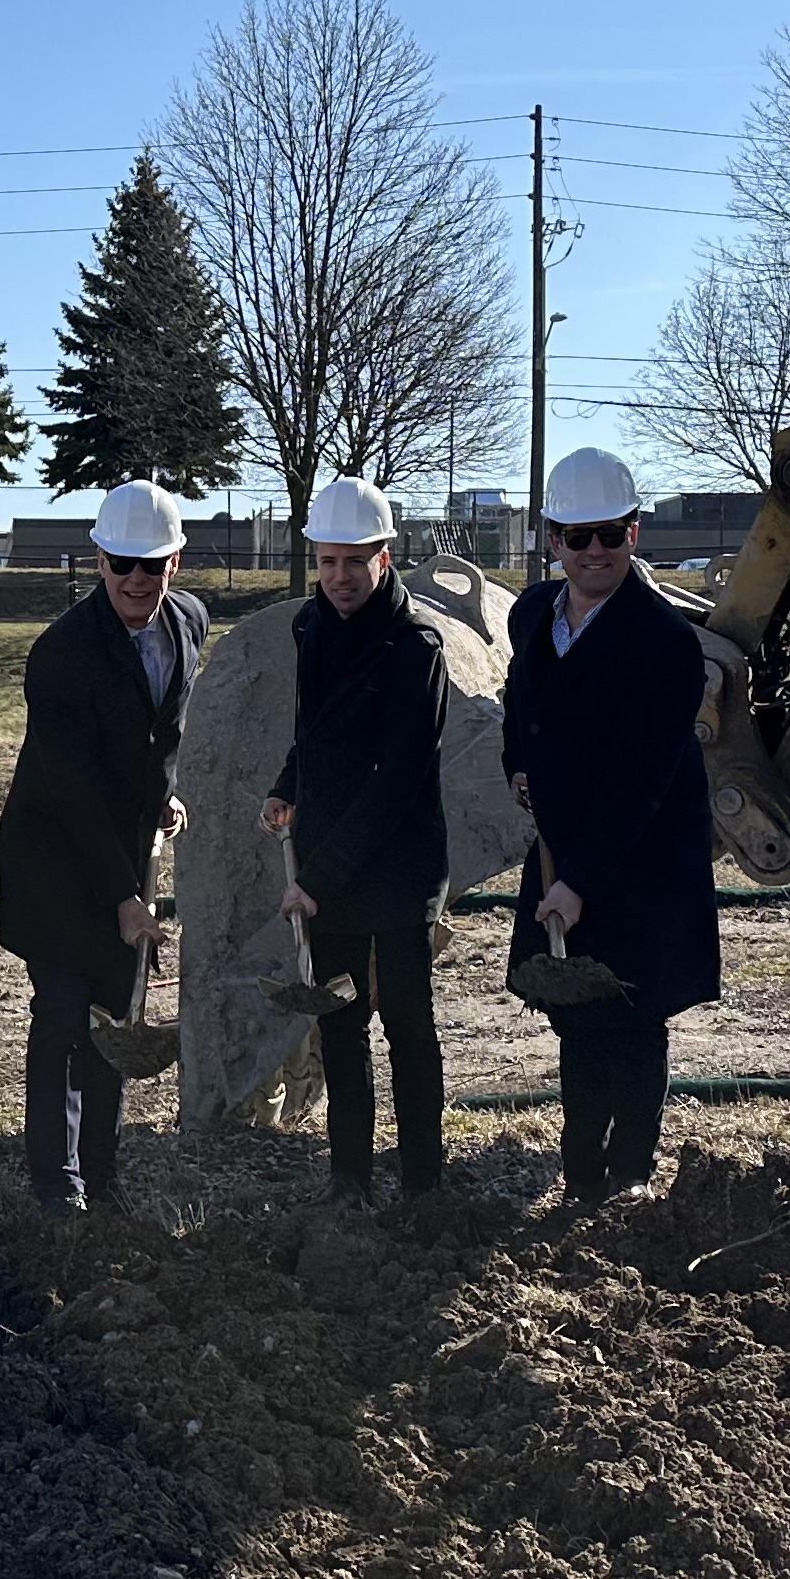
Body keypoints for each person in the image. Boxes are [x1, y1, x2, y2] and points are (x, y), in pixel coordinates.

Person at [501, 447, 720, 1202]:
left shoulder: (665, 643)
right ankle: (582, 1170)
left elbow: (641, 779)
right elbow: (518, 705)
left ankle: (626, 1168)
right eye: (577, 536)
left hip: (641, 859)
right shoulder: (532, 613)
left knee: (632, 1014)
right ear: (552, 539)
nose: (595, 552)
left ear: (634, 533)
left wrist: (581, 885)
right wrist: (515, 764)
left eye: (611, 534)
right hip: (563, 844)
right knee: (574, 1017)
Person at [0, 479, 206, 1211]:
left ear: (176, 561)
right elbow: (72, 786)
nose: (137, 580)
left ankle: (103, 1176)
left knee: (117, 1018)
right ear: (98, 561)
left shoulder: (189, 623)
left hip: (124, 842)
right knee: (62, 1014)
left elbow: (163, 735)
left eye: (152, 565)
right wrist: (122, 896)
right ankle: (59, 1185)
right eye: (122, 564)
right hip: (54, 853)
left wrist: (162, 797)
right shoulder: (61, 653)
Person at [264, 476, 449, 1202]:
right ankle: (349, 1176)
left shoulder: (414, 649)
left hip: (398, 868)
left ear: (386, 557)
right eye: (327, 560)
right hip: (329, 867)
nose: (339, 577)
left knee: (406, 1020)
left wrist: (317, 879)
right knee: (339, 1023)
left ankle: (424, 1180)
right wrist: (287, 786)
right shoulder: (311, 627)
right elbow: (312, 736)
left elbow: (395, 785)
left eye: (354, 561)